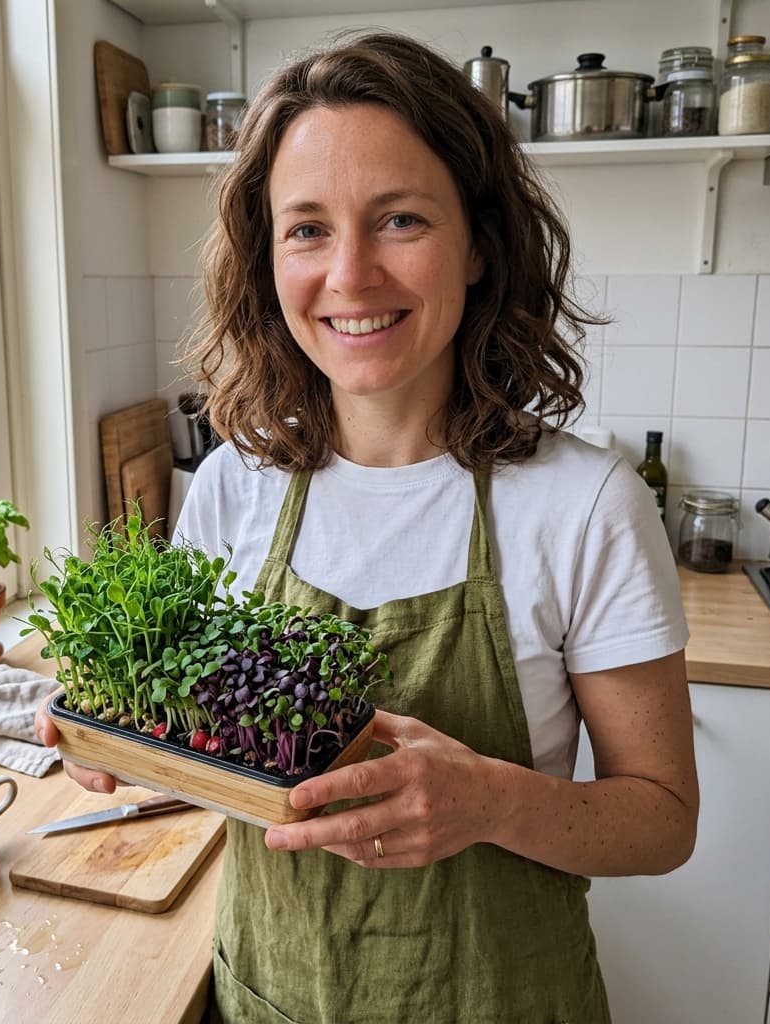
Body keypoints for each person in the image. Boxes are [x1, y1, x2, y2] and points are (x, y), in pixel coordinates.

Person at [36, 30, 698, 1024]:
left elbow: (663, 819)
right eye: (306, 228)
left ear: (477, 244)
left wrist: (490, 800)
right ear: (266, 258)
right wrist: (124, 736)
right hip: (272, 993)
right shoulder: (228, 487)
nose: (349, 274)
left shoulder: (585, 501)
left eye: (398, 219)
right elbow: (220, 756)